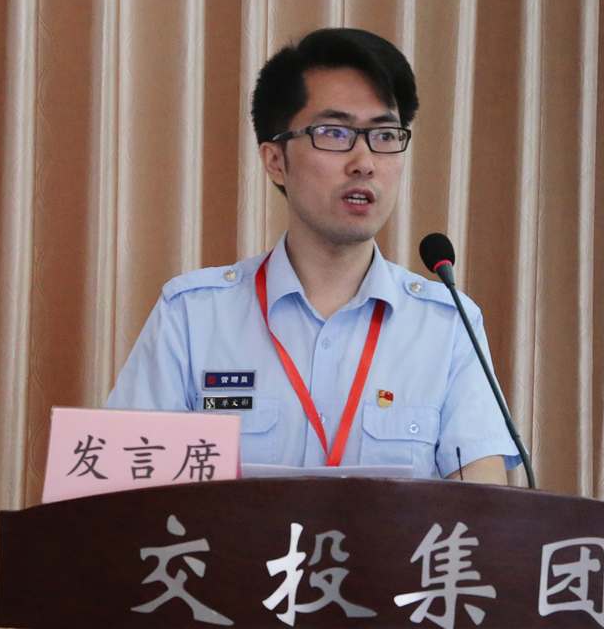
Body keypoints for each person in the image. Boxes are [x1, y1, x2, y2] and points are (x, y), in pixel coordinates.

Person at [106, 28, 520, 484]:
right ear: (275, 161)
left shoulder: (448, 325)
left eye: (385, 135)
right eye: (334, 133)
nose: (364, 162)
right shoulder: (192, 315)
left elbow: (483, 508)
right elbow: (124, 494)